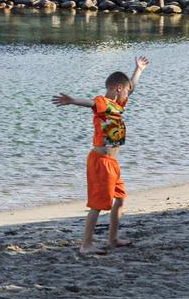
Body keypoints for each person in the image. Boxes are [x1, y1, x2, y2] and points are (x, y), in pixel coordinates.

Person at [52, 56, 148, 255]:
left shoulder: (118, 105)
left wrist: (138, 70)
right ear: (118, 88)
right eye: (126, 91)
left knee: (120, 199)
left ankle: (113, 238)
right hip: (101, 162)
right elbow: (90, 103)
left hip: (112, 162)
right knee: (98, 204)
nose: (129, 93)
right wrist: (73, 101)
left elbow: (132, 86)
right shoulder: (103, 103)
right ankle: (85, 244)